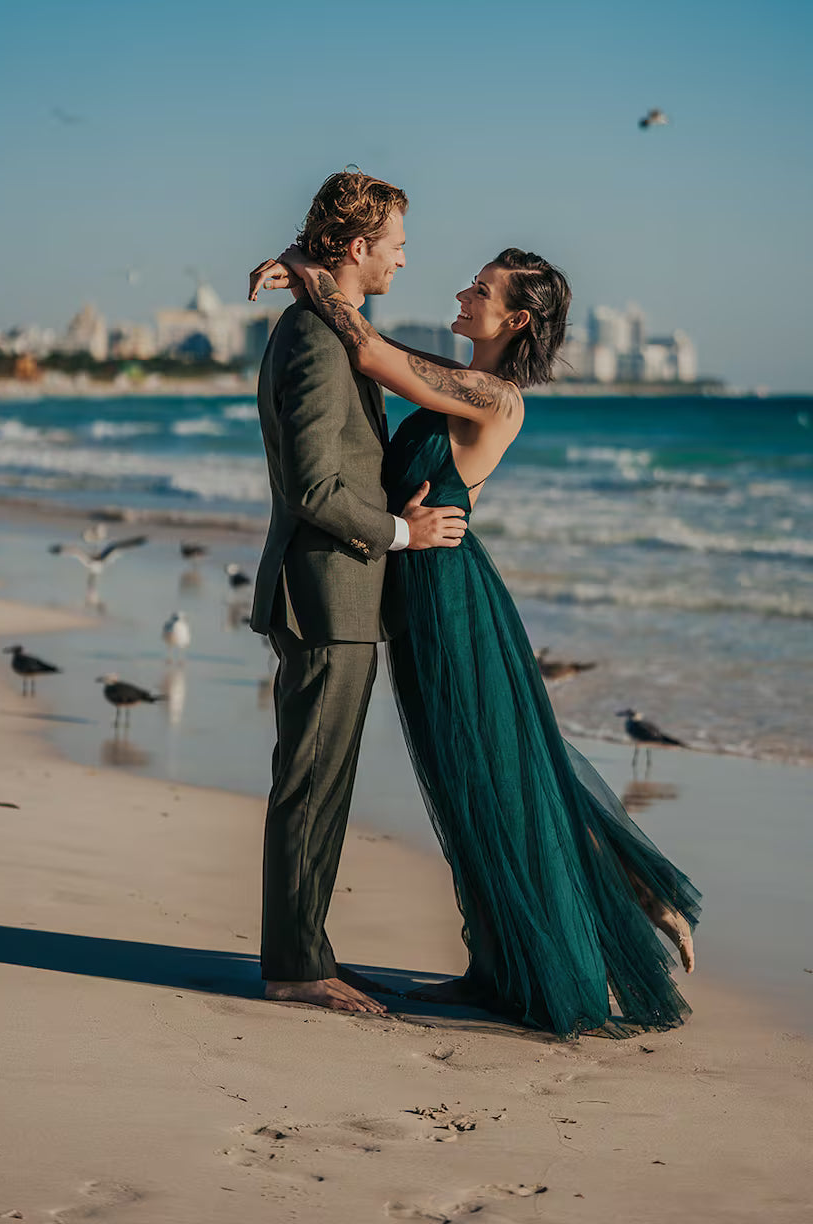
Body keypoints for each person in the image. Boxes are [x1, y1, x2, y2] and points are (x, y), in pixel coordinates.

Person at [250, 237, 701, 1039]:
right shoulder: (463, 381)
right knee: (473, 782)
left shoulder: (498, 401)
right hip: (418, 598)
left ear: (516, 317)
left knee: (501, 765)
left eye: (482, 289)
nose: (463, 291)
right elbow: (375, 345)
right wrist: (313, 271)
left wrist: (309, 269)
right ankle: (498, 967)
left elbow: (370, 352)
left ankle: (631, 886)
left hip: (453, 601)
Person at [249, 170, 468, 1017]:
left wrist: (390, 507)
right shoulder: (311, 337)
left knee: (323, 783)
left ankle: (310, 955)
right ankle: (296, 968)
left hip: (341, 592)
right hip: (324, 594)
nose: (405, 260)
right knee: (309, 784)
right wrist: (402, 533)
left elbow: (343, 467)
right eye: (398, 245)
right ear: (356, 248)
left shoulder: (332, 331)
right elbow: (309, 488)